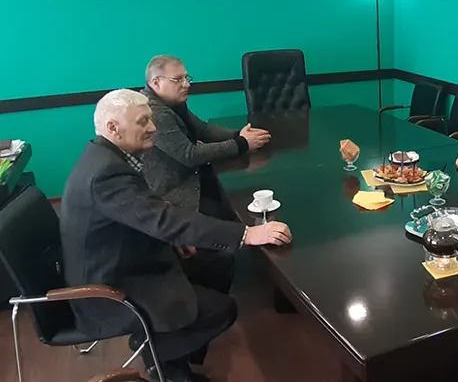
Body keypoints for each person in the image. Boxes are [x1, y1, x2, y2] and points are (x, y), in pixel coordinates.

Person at [60, 89, 291, 382]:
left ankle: (177, 348)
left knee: (219, 262)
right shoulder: (107, 174)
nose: (153, 128)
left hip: (124, 257)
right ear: (113, 128)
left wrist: (169, 238)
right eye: (143, 122)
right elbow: (164, 218)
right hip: (108, 287)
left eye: (151, 120)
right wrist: (247, 233)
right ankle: (159, 356)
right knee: (222, 310)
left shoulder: (107, 157)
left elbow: (142, 214)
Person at [141, 54, 271, 217]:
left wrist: (238, 135)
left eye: (186, 78)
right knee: (237, 210)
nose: (186, 84)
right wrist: (242, 143)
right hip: (177, 192)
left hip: (194, 175)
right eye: (178, 79)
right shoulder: (154, 112)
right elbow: (189, 155)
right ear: (156, 82)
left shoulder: (171, 102)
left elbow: (203, 129)